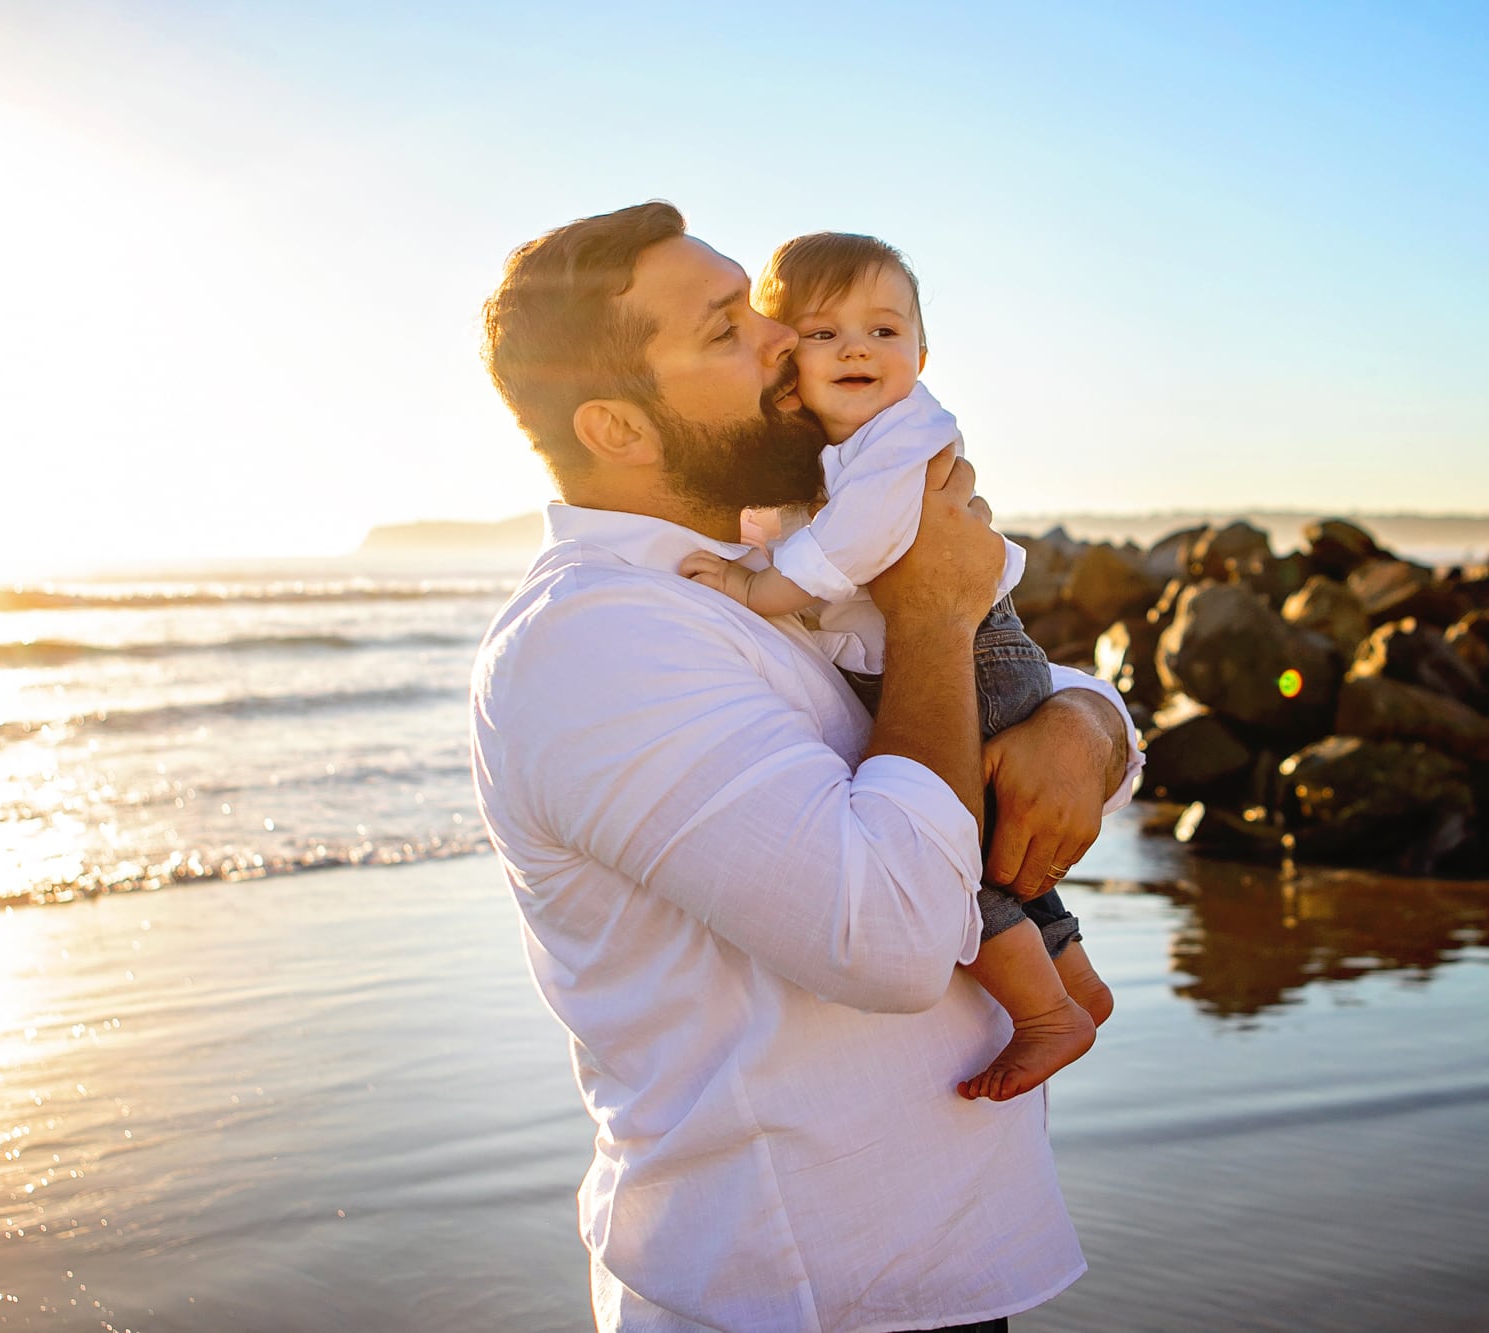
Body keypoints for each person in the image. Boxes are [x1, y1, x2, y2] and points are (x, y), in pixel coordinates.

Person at [471, 201, 1140, 1332]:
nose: (789, 338)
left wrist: (1085, 727)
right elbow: (891, 936)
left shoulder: (767, 562)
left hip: (922, 1261)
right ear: (618, 428)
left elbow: (1009, 698)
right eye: (729, 330)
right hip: (792, 1287)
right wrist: (931, 609)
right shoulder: (595, 641)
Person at [678, 232, 1110, 1103]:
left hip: (978, 658)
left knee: (956, 863)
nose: (857, 350)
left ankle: (1046, 1012)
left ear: (921, 352)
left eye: (883, 332)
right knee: (989, 844)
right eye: (824, 332)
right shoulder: (829, 442)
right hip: (967, 651)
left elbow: (860, 534)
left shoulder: (904, 436)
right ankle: (1075, 979)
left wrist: (756, 587)